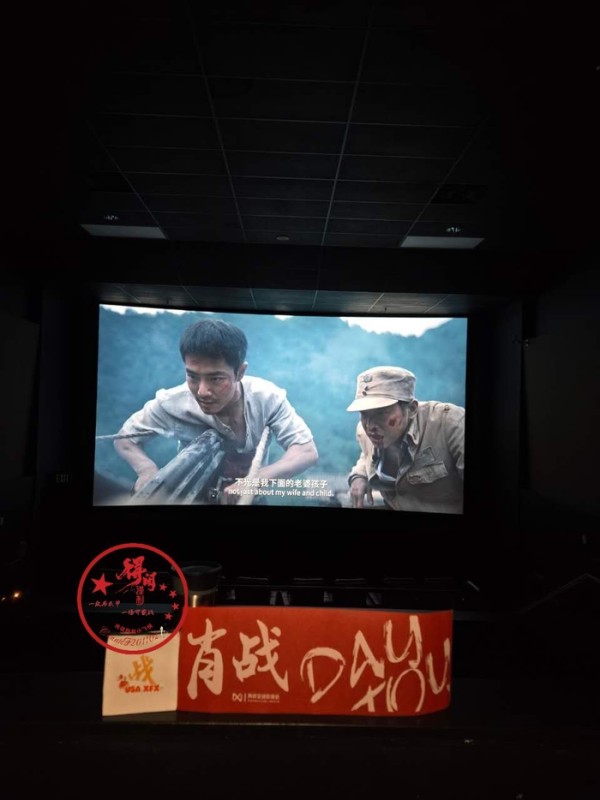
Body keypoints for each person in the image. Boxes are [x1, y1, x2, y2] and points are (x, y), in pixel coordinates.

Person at [114, 318, 318, 502]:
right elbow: (124, 439)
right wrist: (147, 471)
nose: (202, 391)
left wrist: (256, 480)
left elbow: (305, 451)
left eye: (216, 379)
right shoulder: (172, 402)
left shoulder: (267, 398)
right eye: (192, 376)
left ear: (240, 372)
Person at [346, 366, 464, 514]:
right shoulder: (365, 433)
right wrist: (359, 475)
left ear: (412, 409)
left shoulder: (451, 425)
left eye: (381, 413)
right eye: (364, 414)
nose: (370, 426)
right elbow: (367, 454)